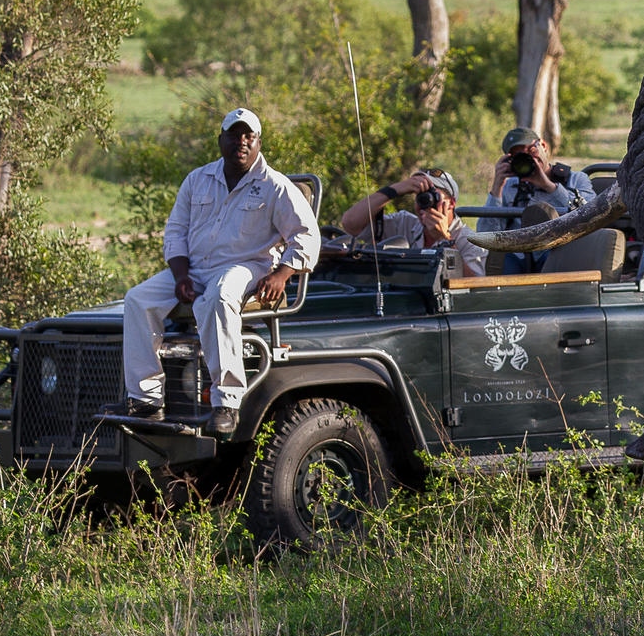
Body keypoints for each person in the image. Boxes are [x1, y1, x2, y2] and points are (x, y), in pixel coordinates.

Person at [120, 108, 320, 435]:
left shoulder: (276, 186)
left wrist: (282, 274)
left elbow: (307, 236)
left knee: (218, 295)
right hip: (195, 268)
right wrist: (181, 275)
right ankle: (147, 400)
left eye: (248, 136)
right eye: (234, 135)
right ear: (220, 140)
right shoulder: (197, 179)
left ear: (257, 142)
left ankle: (226, 401)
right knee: (137, 300)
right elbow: (175, 232)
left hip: (246, 268)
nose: (240, 142)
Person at [479, 126, 595, 273]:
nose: (530, 160)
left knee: (555, 257)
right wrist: (496, 188)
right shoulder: (509, 186)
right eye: (520, 157)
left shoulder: (576, 179)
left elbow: (592, 215)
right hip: (518, 256)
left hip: (559, 251)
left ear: (543, 146)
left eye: (531, 151)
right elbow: (486, 234)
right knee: (501, 259)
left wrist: (549, 186)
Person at [339, 167, 486, 277]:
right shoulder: (404, 223)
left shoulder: (470, 241)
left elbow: (477, 289)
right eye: (421, 196)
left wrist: (445, 240)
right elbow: (350, 224)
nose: (425, 203)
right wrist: (394, 190)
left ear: (451, 203)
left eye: (432, 196)